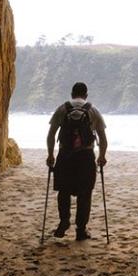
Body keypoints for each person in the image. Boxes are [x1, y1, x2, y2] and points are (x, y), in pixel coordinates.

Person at [46, 82, 107, 241]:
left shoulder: (62, 108)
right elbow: (103, 137)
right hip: (85, 156)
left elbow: (51, 135)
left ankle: (64, 221)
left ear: (72, 94)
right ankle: (81, 230)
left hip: (65, 155)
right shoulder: (93, 110)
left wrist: (50, 155)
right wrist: (102, 156)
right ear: (86, 95)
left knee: (63, 191)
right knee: (85, 194)